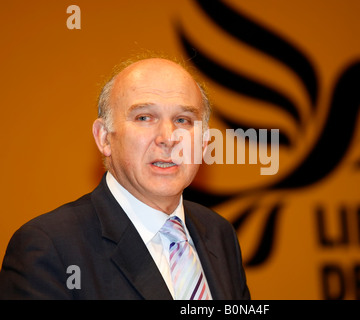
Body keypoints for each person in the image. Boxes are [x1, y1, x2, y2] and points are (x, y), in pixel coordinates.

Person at [0, 55, 251, 300]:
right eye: (144, 117)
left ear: (205, 143)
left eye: (183, 120)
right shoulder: (49, 247)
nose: (168, 137)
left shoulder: (219, 233)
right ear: (104, 137)